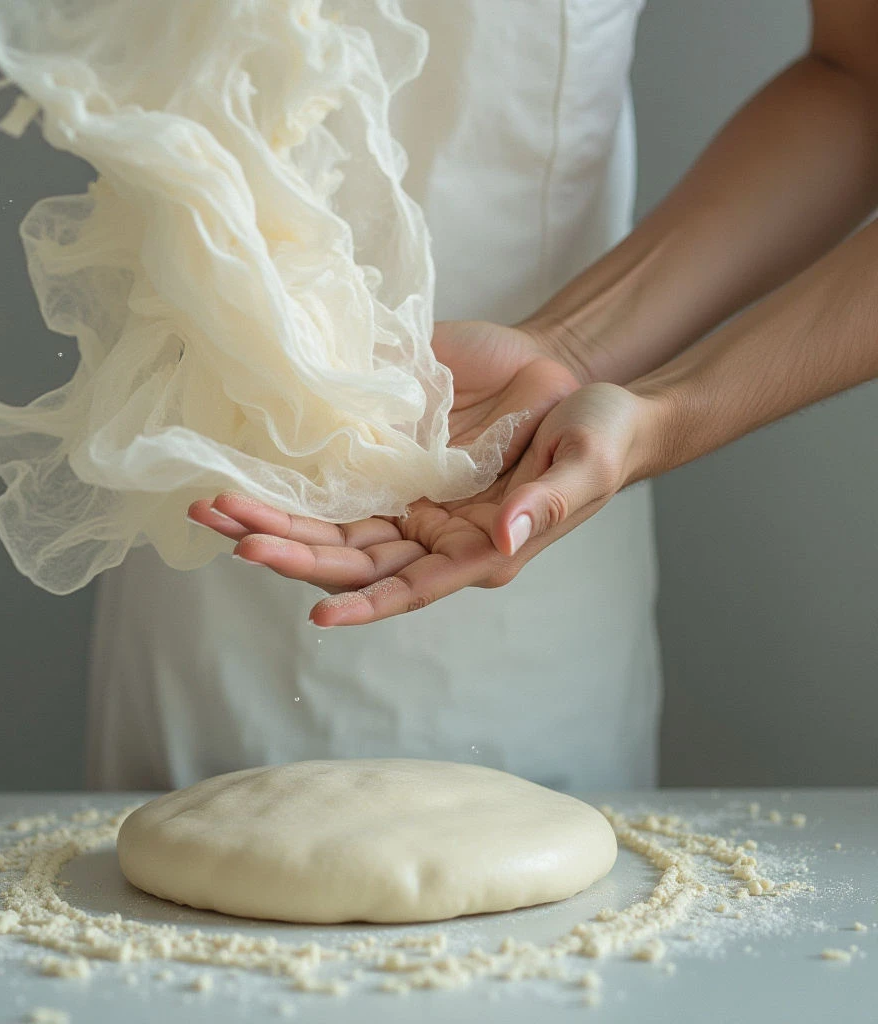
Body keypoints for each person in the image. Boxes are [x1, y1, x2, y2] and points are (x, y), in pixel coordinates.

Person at [89, 0, 878, 791]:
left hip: (518, 495)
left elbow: (860, 77)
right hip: (206, 518)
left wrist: (627, 391)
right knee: (167, 869)